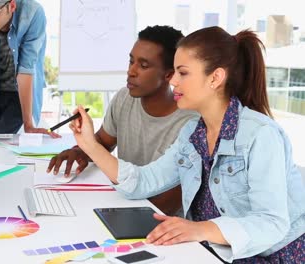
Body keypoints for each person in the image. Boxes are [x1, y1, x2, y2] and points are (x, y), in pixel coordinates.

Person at [69, 26, 304, 263]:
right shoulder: (192, 133)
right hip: (216, 251)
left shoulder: (261, 135)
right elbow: (143, 182)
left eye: (183, 73)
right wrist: (89, 145)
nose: (173, 81)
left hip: (275, 255)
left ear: (215, 78)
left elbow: (271, 223)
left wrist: (201, 228)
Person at [47, 26, 197, 216]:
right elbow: (103, 141)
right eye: (131, 61)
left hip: (158, 224)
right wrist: (79, 151)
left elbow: (165, 205)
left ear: (169, 75)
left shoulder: (191, 124)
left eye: (143, 66)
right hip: (121, 203)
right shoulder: (124, 97)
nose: (131, 71)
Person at [0, 0, 58, 137]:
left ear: (12, 6)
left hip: (19, 93)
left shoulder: (32, 14)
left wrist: (28, 125)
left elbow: (26, 68)